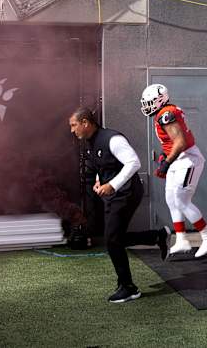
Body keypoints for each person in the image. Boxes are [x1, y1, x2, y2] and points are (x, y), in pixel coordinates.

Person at [69, 107, 168, 303]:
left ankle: (128, 287)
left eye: (74, 125)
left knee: (112, 239)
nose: (72, 130)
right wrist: (99, 180)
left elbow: (133, 163)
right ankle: (157, 236)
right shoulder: (90, 143)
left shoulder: (112, 139)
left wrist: (112, 185)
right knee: (115, 238)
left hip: (127, 192)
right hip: (115, 194)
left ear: (85, 123)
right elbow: (104, 165)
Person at [140, 84, 207, 258]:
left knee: (182, 200)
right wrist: (164, 155)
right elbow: (171, 141)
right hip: (178, 160)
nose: (147, 106)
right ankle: (182, 239)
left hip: (188, 159)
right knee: (171, 199)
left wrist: (166, 163)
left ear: (160, 100)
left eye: (150, 102)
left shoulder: (166, 114)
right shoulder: (163, 114)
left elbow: (181, 142)